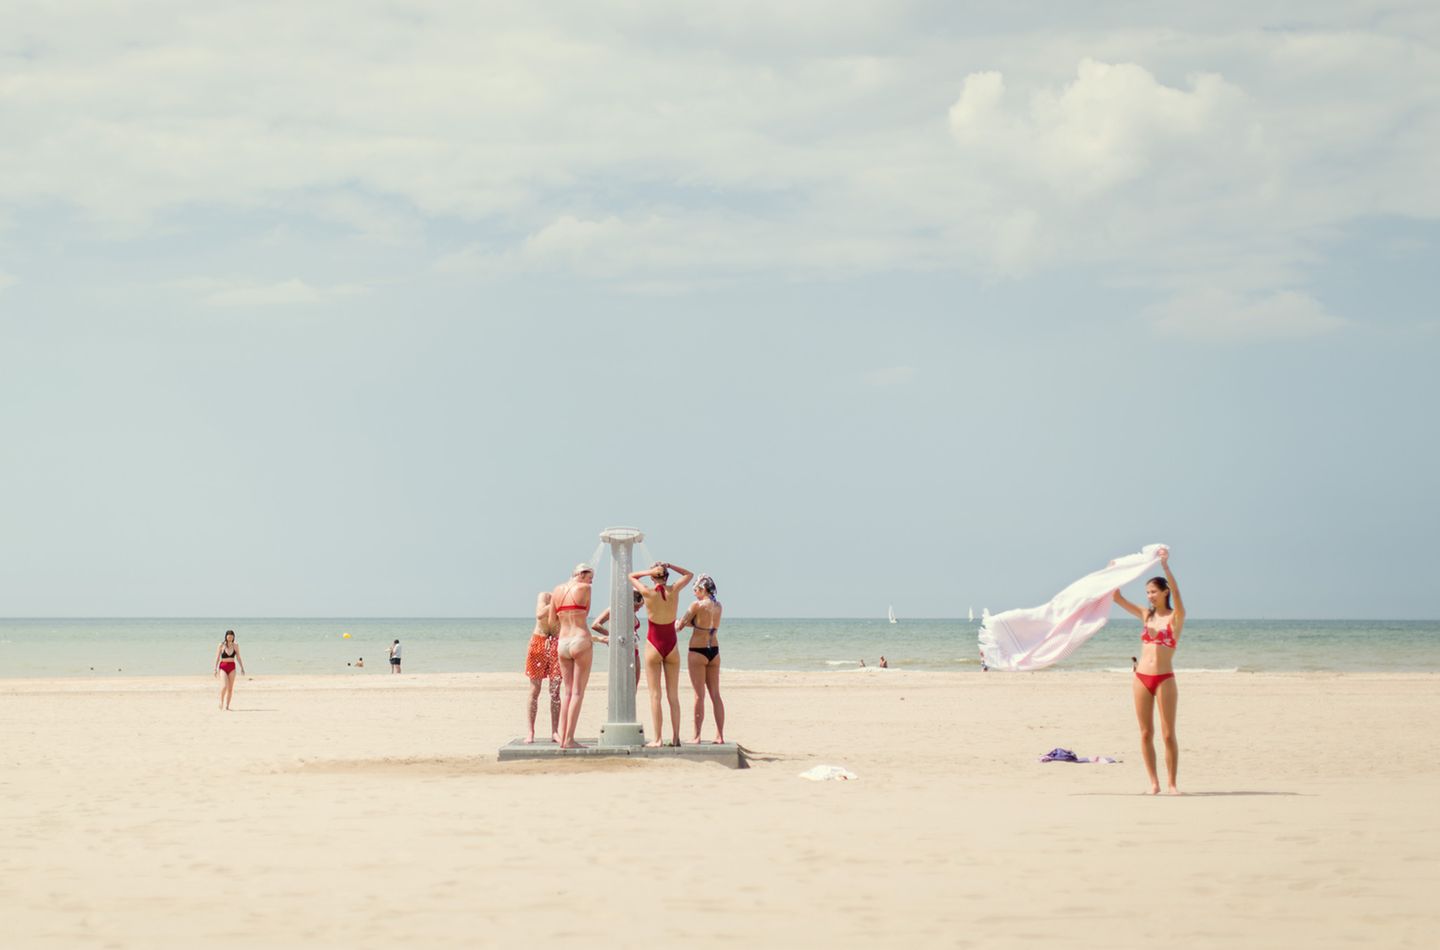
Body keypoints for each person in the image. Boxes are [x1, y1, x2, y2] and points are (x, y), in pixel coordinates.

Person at [1112, 547, 1185, 795]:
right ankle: (1154, 783)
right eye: (1147, 593)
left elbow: (1177, 592)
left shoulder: (1176, 617)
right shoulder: (1145, 615)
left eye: (1153, 591)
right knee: (1145, 733)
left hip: (1165, 678)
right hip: (1141, 678)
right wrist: (1115, 572)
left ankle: (1172, 784)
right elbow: (1117, 598)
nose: (1150, 596)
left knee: (1167, 734)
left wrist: (1165, 566)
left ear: (1164, 592)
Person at [629, 560, 693, 748]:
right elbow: (689, 574)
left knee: (655, 695)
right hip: (671, 644)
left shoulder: (647, 592)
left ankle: (657, 739)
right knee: (673, 695)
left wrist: (651, 570)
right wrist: (669, 566)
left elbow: (631, 576)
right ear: (666, 577)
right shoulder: (674, 590)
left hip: (653, 645)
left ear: (652, 577)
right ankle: (675, 738)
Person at [550, 563, 596, 750]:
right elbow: (586, 612)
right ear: (583, 575)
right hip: (580, 638)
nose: (591, 581)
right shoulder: (585, 588)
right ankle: (569, 739)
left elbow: (552, 620)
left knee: (567, 692)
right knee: (577, 693)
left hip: (563, 642)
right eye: (590, 577)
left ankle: (562, 738)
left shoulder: (556, 590)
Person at [678, 573, 724, 744]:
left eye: (696, 589)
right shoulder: (718, 605)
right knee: (715, 694)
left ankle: (697, 736)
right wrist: (693, 623)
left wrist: (681, 623)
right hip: (714, 650)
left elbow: (680, 624)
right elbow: (706, 624)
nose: (694, 593)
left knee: (699, 695)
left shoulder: (697, 605)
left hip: (698, 650)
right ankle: (719, 735)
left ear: (702, 589)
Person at [523, 592, 563, 743]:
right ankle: (531, 732)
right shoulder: (545, 597)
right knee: (535, 690)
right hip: (538, 642)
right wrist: (557, 602)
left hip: (556, 644)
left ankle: (555, 732)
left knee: (555, 691)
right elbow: (540, 615)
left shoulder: (568, 602)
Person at [593, 589, 644, 688]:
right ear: (630, 602)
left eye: (640, 607)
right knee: (621, 686)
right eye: (637, 606)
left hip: (635, 650)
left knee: (634, 687)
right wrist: (613, 635)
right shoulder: (615, 609)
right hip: (622, 650)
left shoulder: (632, 612)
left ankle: (630, 704)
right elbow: (595, 625)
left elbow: (634, 587)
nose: (638, 609)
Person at [212, 630, 245, 711]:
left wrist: (242, 667)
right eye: (228, 635)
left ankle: (227, 706)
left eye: (231, 636)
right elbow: (217, 657)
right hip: (223, 667)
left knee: (230, 688)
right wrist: (215, 669)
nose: (230, 637)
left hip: (232, 667)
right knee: (224, 686)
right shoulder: (221, 645)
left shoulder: (236, 645)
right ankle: (221, 702)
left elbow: (238, 657)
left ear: (233, 637)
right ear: (226, 636)